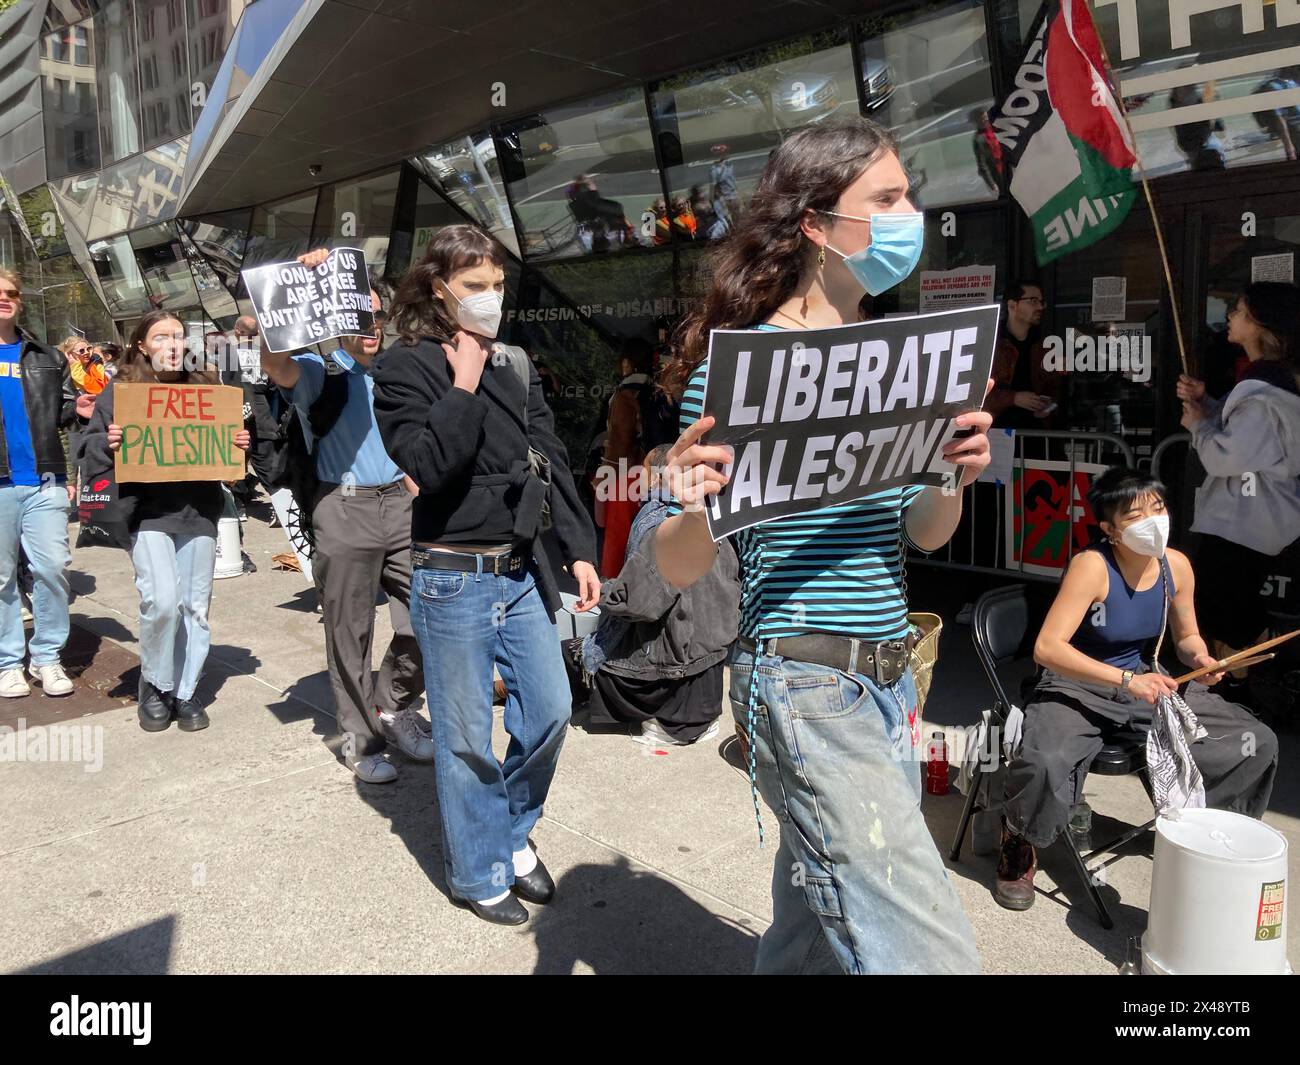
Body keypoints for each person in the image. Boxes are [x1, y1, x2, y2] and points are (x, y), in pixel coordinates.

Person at [654, 117, 992, 974]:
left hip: (890, 679)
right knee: (928, 951)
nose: (909, 213)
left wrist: (951, 474)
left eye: (906, 194)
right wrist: (693, 500)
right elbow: (676, 565)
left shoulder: (901, 357)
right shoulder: (741, 368)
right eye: (886, 198)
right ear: (816, 223)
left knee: (810, 927)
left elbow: (921, 531)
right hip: (805, 682)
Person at [373, 224, 599, 926]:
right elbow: (430, 463)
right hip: (450, 576)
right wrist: (463, 377)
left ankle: (507, 833)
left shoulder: (517, 364)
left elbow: (550, 457)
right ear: (439, 287)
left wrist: (579, 546)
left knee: (552, 710)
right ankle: (477, 871)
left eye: (498, 284)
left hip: (523, 569)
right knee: (467, 734)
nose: (491, 298)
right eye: (476, 286)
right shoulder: (402, 367)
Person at [996, 468, 1279, 909]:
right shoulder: (1092, 566)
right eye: (1135, 515)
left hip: (1146, 683)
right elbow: (1048, 648)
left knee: (1253, 743)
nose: (1153, 521)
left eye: (1159, 508)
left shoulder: (1176, 566)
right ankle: (1020, 841)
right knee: (1045, 758)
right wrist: (1126, 679)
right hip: (1079, 683)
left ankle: (1207, 834)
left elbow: (1186, 637)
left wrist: (1202, 660)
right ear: (1109, 529)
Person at [258, 251, 431, 783]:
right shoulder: (320, 370)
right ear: (335, 322)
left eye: (376, 316)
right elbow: (274, 364)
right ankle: (361, 739)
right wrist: (297, 289)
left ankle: (393, 704)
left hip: (404, 505)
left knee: (431, 617)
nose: (370, 327)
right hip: (343, 505)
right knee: (349, 632)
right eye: (357, 317)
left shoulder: (404, 367)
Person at [82, 311, 252, 730]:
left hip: (198, 512)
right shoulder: (122, 393)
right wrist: (109, 442)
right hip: (146, 513)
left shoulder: (207, 390)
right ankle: (155, 683)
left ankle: (186, 691)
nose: (172, 345)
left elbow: (233, 460)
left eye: (178, 337)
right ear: (142, 346)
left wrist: (239, 445)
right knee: (160, 603)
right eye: (161, 338)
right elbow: (88, 450)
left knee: (195, 607)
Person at [1176, 282, 1300, 703]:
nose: (1230, 316)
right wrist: (1207, 403)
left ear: (1260, 324)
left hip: (1243, 522)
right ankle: (1234, 682)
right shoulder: (1264, 383)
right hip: (1244, 520)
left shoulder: (1265, 393)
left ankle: (1240, 687)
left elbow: (1228, 457)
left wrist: (1197, 423)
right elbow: (1242, 435)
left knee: (1227, 603)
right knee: (1228, 599)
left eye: (1240, 310)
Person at [582, 445, 737, 747]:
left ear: (656, 478)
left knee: (571, 656)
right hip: (707, 683)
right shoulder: (721, 521)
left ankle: (499, 691)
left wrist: (601, 589)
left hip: (663, 687)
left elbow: (640, 602)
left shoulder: (657, 519)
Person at [0, 266, 77, 699]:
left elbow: (65, 416)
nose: (5, 297)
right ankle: (7, 662)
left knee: (51, 570)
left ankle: (47, 657)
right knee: (1, 579)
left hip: (45, 481)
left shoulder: (46, 357)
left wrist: (82, 406)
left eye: (11, 292)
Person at [598, 338, 654, 578]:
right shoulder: (656, 391)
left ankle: (613, 586)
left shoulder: (624, 396)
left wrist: (605, 475)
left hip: (625, 474)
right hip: (653, 473)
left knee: (616, 534)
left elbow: (620, 440)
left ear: (628, 363)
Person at [988, 280, 1060, 429]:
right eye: (1033, 301)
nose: (1040, 307)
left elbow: (1056, 388)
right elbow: (975, 395)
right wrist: (1013, 398)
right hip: (997, 432)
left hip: (1037, 432)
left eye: (1041, 302)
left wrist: (1049, 406)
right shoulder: (992, 343)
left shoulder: (1044, 345)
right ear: (1012, 305)